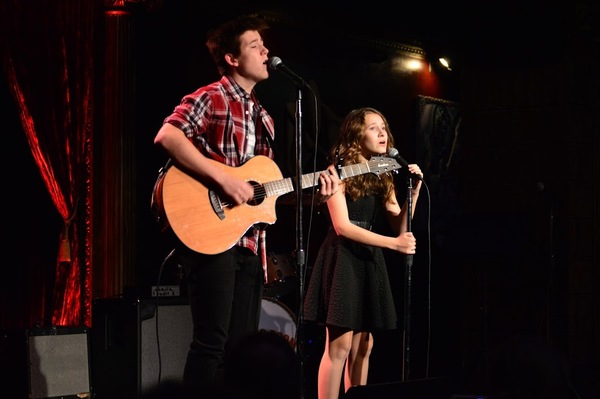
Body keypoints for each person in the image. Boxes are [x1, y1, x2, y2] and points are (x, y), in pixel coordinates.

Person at [153, 15, 339, 395]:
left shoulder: (264, 116)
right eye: (255, 45)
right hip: (210, 235)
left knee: (241, 350)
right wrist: (222, 178)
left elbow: (261, 194)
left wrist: (315, 194)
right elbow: (168, 135)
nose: (266, 51)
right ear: (232, 58)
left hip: (251, 242)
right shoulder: (212, 96)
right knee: (211, 344)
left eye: (264, 45)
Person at [303, 107, 423, 399]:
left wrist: (415, 190)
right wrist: (393, 244)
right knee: (340, 345)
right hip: (343, 256)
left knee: (364, 344)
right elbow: (342, 226)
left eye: (384, 127)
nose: (382, 133)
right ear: (357, 135)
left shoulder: (381, 171)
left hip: (369, 258)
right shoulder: (338, 171)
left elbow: (400, 223)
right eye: (373, 128)